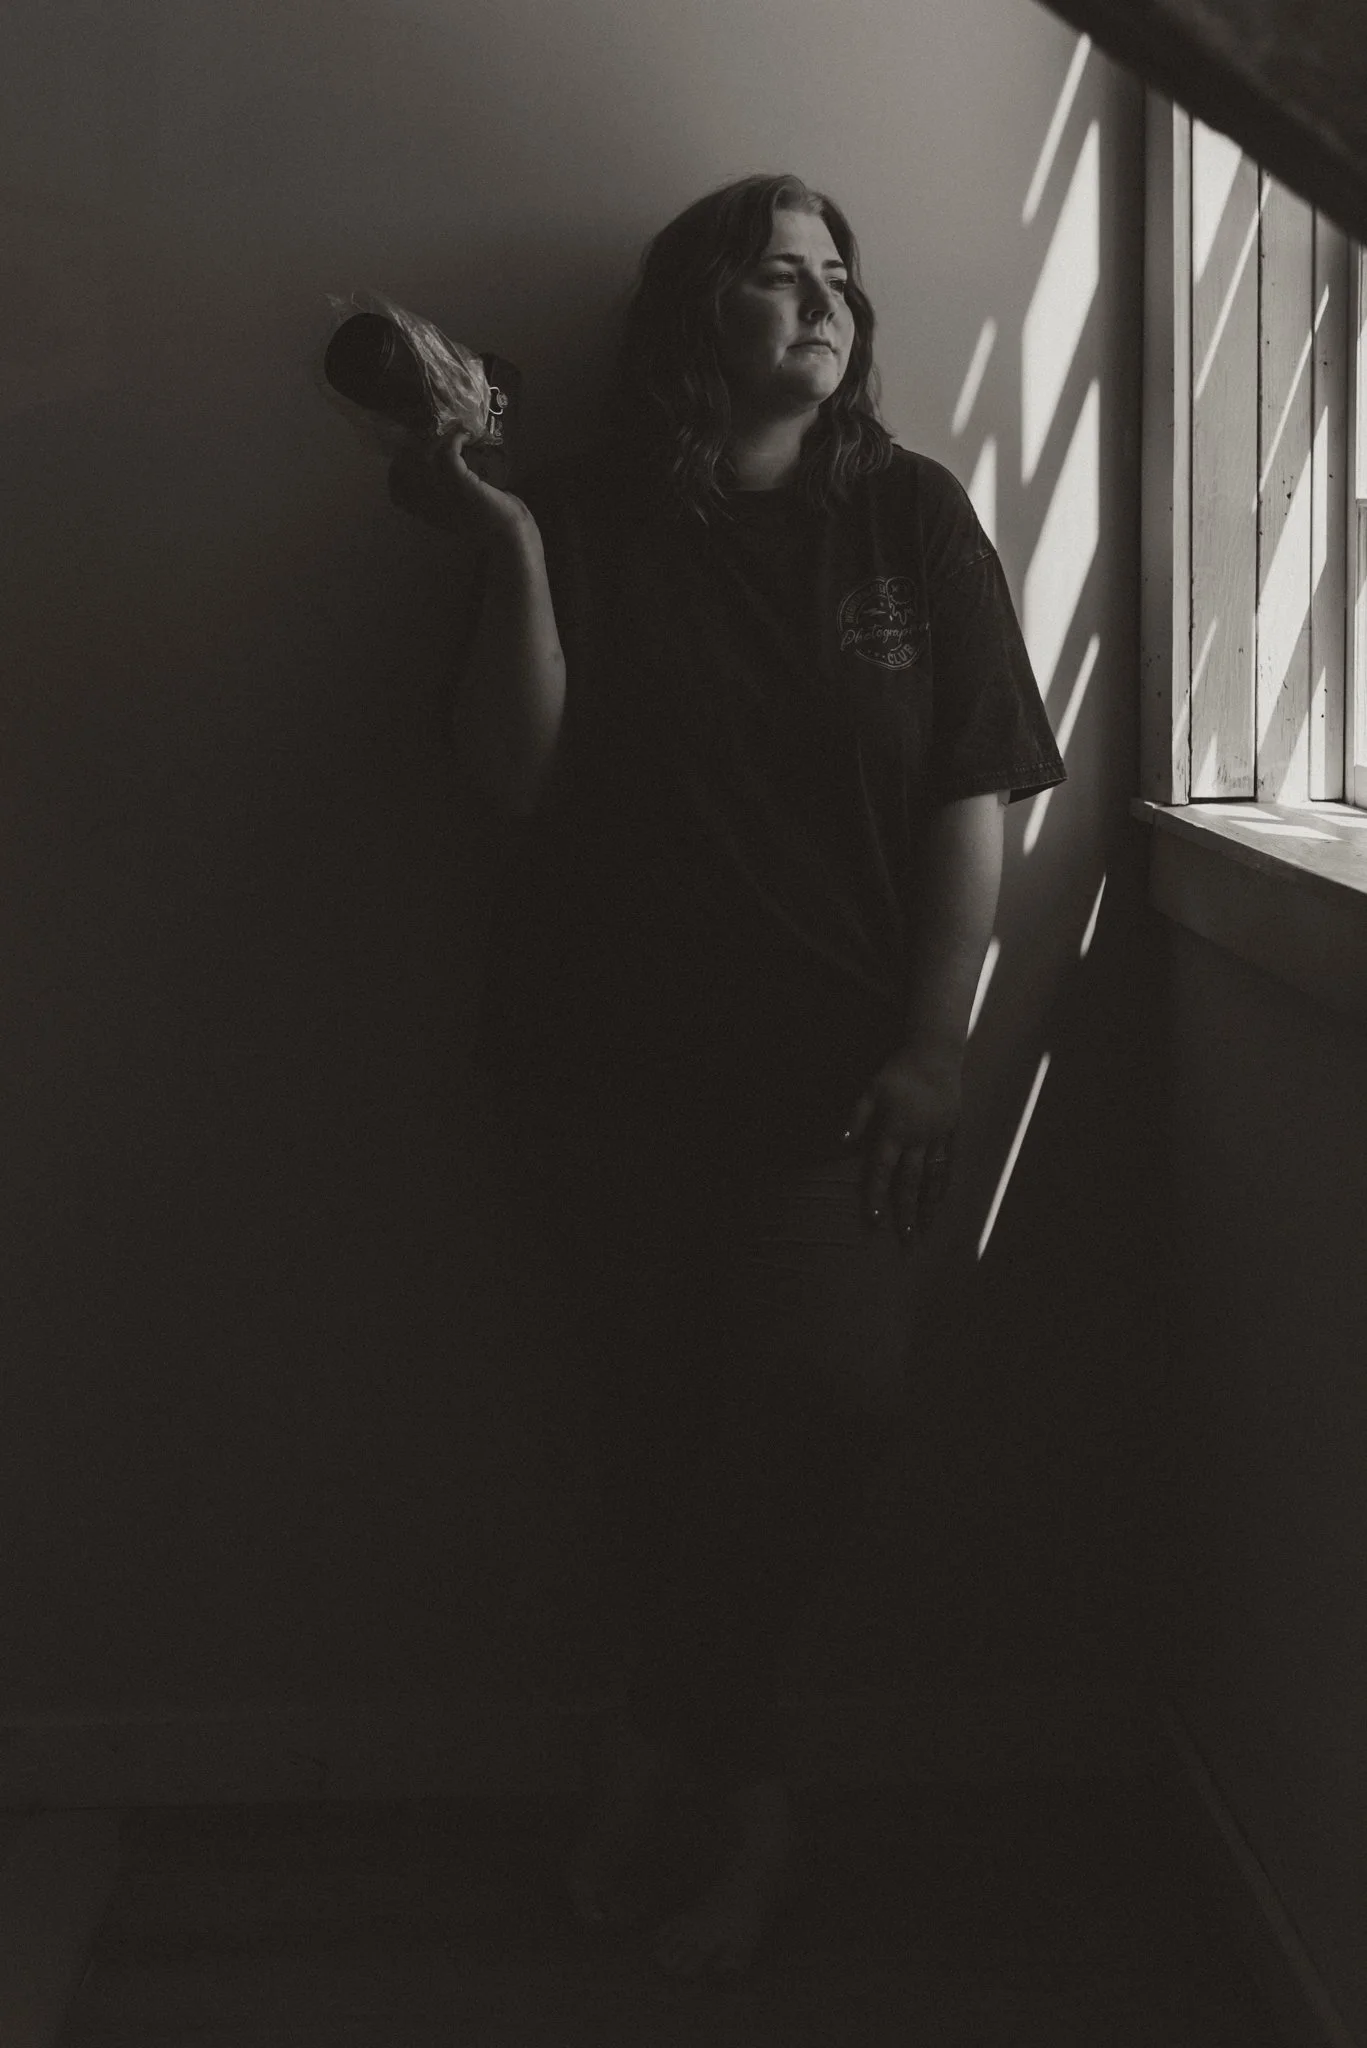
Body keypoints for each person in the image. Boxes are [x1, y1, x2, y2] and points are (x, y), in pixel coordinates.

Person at [392, 172, 1065, 1979]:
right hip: (600, 1069)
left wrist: (937, 1043)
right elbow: (509, 781)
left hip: (835, 1084)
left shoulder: (908, 523)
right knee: (664, 1452)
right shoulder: (588, 516)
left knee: (826, 1404)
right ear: (695, 312)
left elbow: (971, 796)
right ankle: (743, 1805)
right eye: (775, 274)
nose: (821, 297)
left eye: (838, 273)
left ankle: (659, 1755)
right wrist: (511, 552)